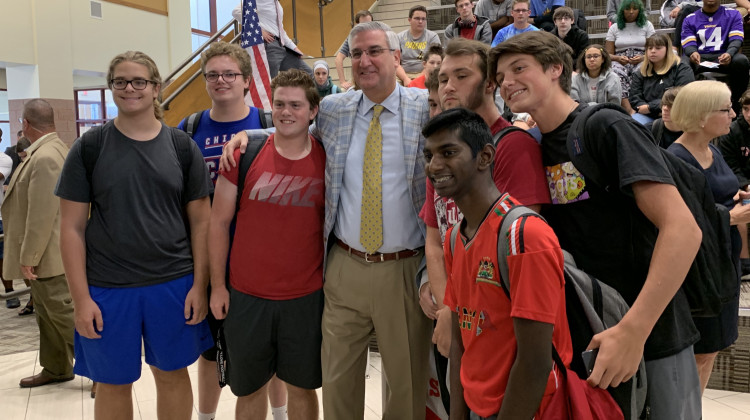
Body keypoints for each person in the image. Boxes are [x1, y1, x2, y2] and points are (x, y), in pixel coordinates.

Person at [221, 21, 434, 420]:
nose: (364, 61)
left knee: (405, 386)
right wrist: (249, 136)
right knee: (336, 381)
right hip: (343, 267)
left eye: (374, 51)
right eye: (356, 54)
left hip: (403, 267)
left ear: (396, 57)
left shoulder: (424, 109)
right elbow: (294, 123)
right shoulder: (336, 109)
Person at [491, 30, 703, 419]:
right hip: (592, 331)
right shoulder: (534, 145)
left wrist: (633, 331)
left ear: (557, 68)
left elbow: (683, 229)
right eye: (501, 75)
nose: (507, 81)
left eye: (519, 68)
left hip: (651, 333)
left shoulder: (605, 126)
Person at [56, 51, 213, 420]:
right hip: (108, 288)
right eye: (120, 82)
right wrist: (81, 300)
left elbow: (202, 224)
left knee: (173, 375)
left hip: (173, 283)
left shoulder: (180, 147)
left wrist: (199, 286)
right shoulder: (89, 148)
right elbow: (71, 228)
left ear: (156, 88)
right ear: (111, 88)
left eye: (139, 81)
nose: (130, 89)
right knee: (112, 382)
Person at [422, 106, 570, 420]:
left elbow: (535, 363)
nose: (434, 166)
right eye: (428, 155)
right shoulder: (453, 238)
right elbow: (464, 339)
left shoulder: (525, 236)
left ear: (485, 157)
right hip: (478, 406)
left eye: (448, 152)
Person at [175, 41, 287, 420]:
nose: (220, 81)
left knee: (269, 350)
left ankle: (281, 413)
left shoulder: (268, 123)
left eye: (229, 74)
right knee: (211, 349)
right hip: (208, 256)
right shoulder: (188, 128)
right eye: (212, 75)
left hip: (262, 256)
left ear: (245, 81)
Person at [209, 69, 323, 420]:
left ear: (313, 111)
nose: (286, 112)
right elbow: (218, 222)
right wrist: (217, 287)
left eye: (295, 105)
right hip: (247, 296)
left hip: (305, 298)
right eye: (279, 104)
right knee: (249, 388)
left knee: (303, 388)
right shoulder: (244, 154)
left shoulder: (327, 158)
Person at [667, 80, 748, 395]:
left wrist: (739, 194)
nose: (732, 115)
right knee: (699, 350)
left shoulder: (712, 149)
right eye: (725, 109)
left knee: (712, 349)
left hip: (724, 258)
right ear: (701, 116)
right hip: (699, 267)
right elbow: (683, 216)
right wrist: (730, 216)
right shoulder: (675, 159)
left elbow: (718, 191)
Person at [3, 99, 73, 390]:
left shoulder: (45, 157)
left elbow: (42, 213)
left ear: (26, 124)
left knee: (66, 317)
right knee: (47, 316)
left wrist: (29, 255)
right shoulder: (51, 150)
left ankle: (102, 373)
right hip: (46, 253)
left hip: (49, 256)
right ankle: (56, 368)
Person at [680, 0, 749, 115]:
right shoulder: (690, 18)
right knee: (683, 63)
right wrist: (692, 52)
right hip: (700, 59)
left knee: (741, 61)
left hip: (724, 57)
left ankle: (737, 104)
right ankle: (690, 106)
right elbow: (688, 43)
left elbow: (736, 38)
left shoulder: (733, 14)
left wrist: (730, 53)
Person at [232, 1, 312, 78]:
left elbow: (280, 31)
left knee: (308, 74)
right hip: (269, 45)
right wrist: (258, 30)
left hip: (282, 46)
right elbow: (236, 11)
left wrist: (294, 48)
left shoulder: (277, 4)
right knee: (269, 83)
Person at [718, 88, 750, 279]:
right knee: (737, 205)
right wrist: (746, 186)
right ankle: (745, 261)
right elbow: (730, 166)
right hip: (742, 184)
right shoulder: (732, 132)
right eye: (746, 109)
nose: (749, 114)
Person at [629, 34, 694, 126]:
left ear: (668, 49)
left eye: (658, 48)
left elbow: (683, 95)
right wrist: (649, 110)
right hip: (647, 114)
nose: (653, 51)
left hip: (675, 113)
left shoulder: (682, 68)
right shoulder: (641, 71)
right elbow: (634, 98)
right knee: (634, 125)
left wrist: (651, 107)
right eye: (650, 48)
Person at [606, 0, 655, 114]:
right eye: (628, 9)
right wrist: (618, 59)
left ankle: (640, 105)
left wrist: (643, 57)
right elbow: (608, 54)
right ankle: (628, 108)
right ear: (622, 11)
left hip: (642, 57)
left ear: (640, 10)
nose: (631, 12)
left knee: (641, 70)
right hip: (620, 59)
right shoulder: (614, 27)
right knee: (616, 72)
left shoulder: (647, 25)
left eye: (635, 9)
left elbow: (653, 48)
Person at [398, 6, 442, 79]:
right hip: (403, 74)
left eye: (423, 19)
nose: (421, 21)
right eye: (417, 18)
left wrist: (418, 79)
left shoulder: (432, 37)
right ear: (409, 20)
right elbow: (395, 62)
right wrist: (405, 79)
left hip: (426, 73)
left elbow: (436, 61)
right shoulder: (400, 37)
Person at [335, 10, 373, 90]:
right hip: (359, 76)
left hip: (374, 74)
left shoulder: (378, 36)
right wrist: (342, 82)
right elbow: (338, 58)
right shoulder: (352, 38)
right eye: (363, 24)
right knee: (343, 91)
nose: (366, 27)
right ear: (357, 25)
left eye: (369, 24)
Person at [551, 6, 589, 71]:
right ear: (555, 22)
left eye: (566, 18)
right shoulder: (550, 37)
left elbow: (582, 58)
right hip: (556, 69)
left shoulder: (582, 35)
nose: (563, 21)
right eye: (559, 19)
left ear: (572, 20)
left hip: (575, 69)